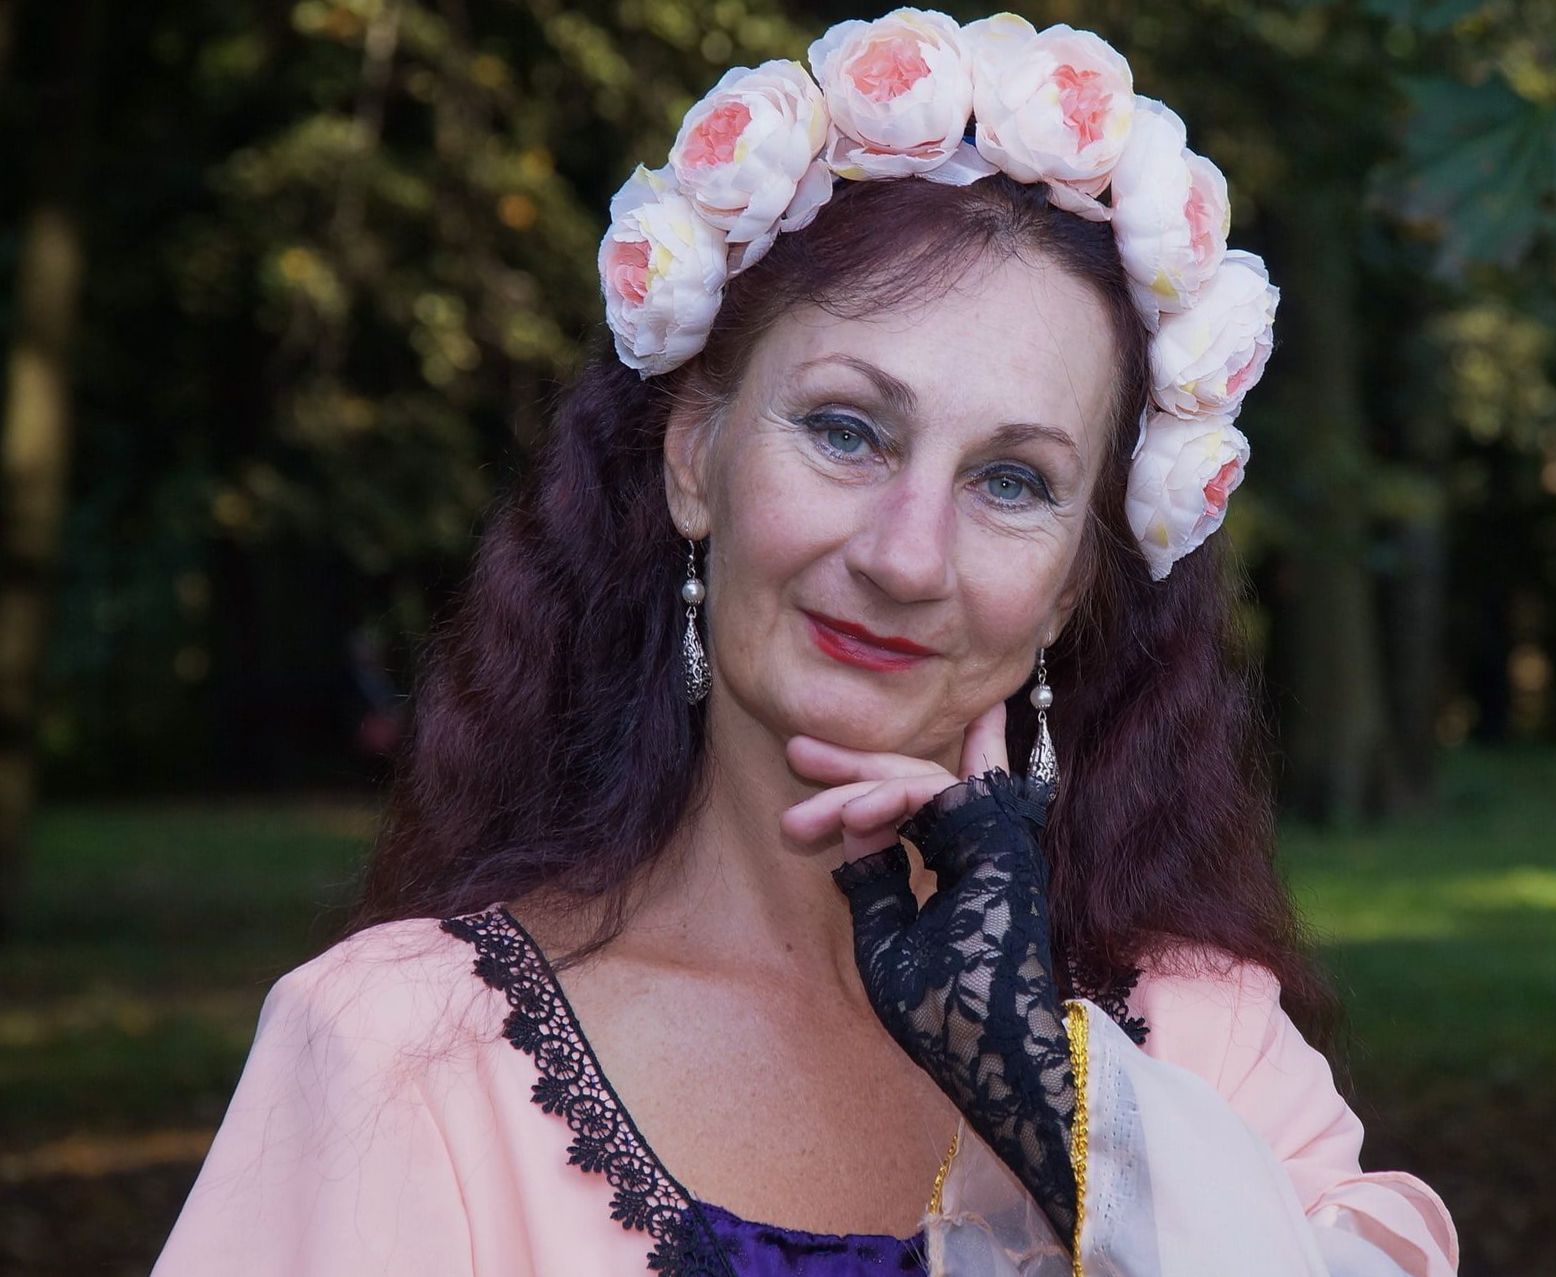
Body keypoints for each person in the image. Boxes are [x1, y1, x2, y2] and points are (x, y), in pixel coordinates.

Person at [153, 10, 1459, 1275]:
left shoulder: (1205, 1044)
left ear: (1070, 588)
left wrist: (1063, 1118)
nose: (905, 555)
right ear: (692, 456)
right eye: (846, 430)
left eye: (1011, 481)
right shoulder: (404, 1055)